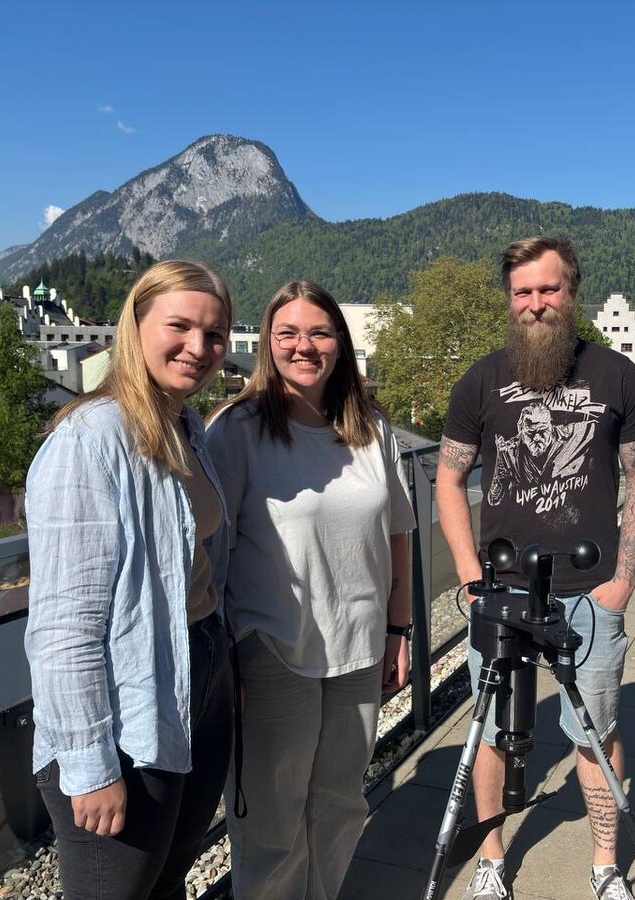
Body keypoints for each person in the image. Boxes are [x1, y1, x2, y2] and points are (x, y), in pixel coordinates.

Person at [437, 236, 635, 900]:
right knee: (490, 734)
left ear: (572, 291)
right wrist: (470, 577)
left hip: (590, 592)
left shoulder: (616, 374)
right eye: (523, 292)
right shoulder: (480, 379)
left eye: (549, 289)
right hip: (501, 593)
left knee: (596, 729)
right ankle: (491, 856)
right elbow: (449, 481)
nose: (536, 303)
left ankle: (603, 864)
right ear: (511, 300)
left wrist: (623, 583)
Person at [24, 260, 234, 900]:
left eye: (215, 334)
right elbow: (63, 626)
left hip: (197, 670)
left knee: (168, 877)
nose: (198, 348)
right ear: (134, 326)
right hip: (128, 706)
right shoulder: (90, 441)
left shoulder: (186, 427)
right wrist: (89, 764)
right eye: (179, 326)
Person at [206, 281, 415, 900]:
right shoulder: (238, 431)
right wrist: (224, 661)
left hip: (358, 646)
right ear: (268, 343)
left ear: (340, 344)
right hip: (272, 650)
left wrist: (399, 630)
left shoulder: (372, 429)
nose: (305, 346)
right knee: (270, 821)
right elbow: (210, 556)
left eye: (319, 332)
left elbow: (397, 532)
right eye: (288, 333)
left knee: (340, 805)